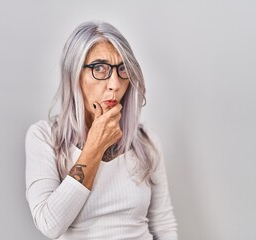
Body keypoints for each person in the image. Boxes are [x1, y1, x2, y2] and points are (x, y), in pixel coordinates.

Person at [25, 21, 178, 240]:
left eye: (122, 69)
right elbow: (50, 224)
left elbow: (163, 225)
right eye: (99, 68)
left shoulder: (146, 142)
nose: (115, 84)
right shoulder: (44, 138)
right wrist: (95, 146)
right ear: (74, 74)